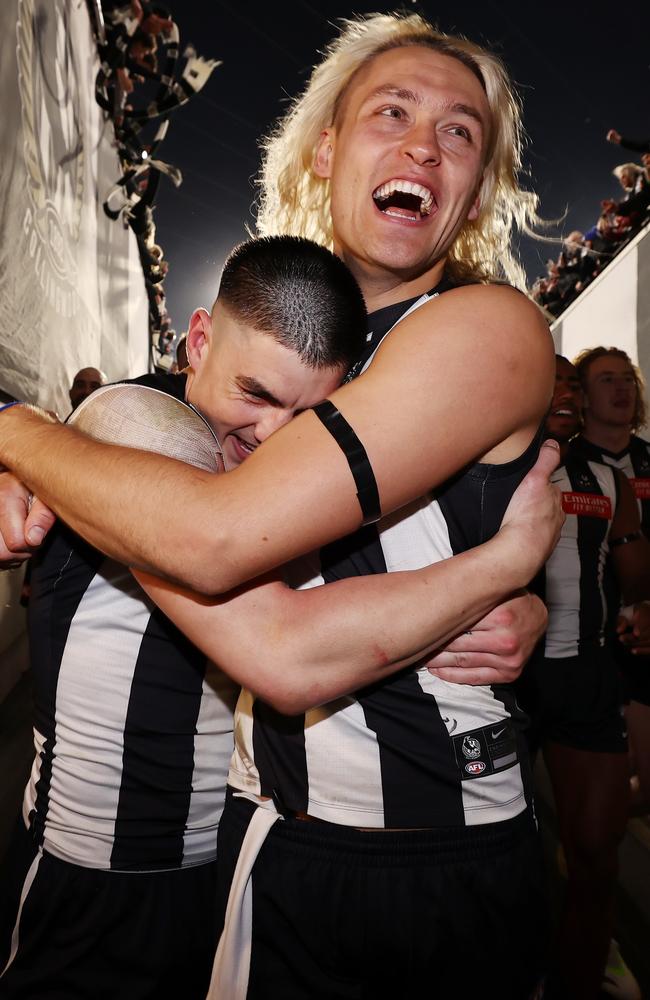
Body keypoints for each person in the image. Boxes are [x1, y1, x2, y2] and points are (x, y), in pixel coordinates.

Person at [0, 13, 559, 996]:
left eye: (459, 131)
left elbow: (227, 555)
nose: (424, 143)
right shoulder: (308, 339)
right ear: (326, 147)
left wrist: (17, 432)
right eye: (392, 111)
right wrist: (57, 459)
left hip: (421, 865)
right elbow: (163, 430)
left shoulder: (484, 326)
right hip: (271, 848)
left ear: (474, 190)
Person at [519, 356, 649, 1000]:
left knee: (597, 856)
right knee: (505, 858)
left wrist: (640, 609)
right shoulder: (484, 468)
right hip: (504, 687)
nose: (564, 391)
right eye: (552, 381)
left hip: (588, 676)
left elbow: (634, 580)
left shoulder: (610, 480)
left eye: (573, 382)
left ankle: (585, 977)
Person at [570, 347, 650, 814]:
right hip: (583, 652)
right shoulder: (565, 462)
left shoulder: (646, 459)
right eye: (606, 380)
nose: (621, 388)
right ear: (582, 394)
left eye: (627, 379)